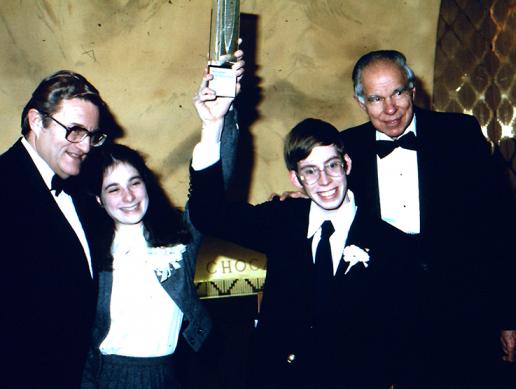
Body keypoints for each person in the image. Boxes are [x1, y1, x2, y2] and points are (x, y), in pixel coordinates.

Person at [342, 49, 516, 388]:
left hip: (462, 313)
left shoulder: (460, 134)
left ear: (413, 90)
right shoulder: (346, 149)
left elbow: (501, 228)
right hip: (385, 319)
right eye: (376, 98)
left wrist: (510, 317)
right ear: (360, 101)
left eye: (397, 92)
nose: (390, 108)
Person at [188, 103, 392, 387]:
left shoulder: (389, 242)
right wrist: (213, 124)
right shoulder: (281, 219)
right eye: (310, 171)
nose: (324, 180)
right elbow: (208, 214)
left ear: (346, 164)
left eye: (331, 165)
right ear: (296, 179)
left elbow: (394, 340)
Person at [80, 56, 244, 389]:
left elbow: (213, 190)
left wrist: (215, 121)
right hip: (107, 379)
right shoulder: (87, 252)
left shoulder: (179, 240)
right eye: (113, 188)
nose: (128, 196)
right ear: (98, 199)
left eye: (134, 182)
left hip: (173, 376)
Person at [0, 70, 117, 388]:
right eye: (75, 131)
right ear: (36, 121)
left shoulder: (81, 190)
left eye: (93, 135)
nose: (86, 146)